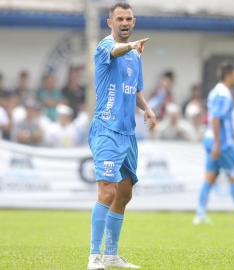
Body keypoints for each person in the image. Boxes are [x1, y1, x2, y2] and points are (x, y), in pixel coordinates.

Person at [87, 3, 156, 270]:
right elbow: (116, 51)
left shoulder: (135, 56)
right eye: (119, 19)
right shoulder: (105, 46)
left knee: (124, 194)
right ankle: (94, 257)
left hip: (128, 133)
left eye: (128, 18)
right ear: (110, 22)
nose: (124, 22)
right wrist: (131, 46)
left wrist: (148, 108)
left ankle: (112, 255)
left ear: (134, 21)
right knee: (107, 191)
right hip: (106, 129)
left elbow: (134, 90)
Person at [193, 63, 234, 226]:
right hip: (223, 143)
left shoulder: (216, 91)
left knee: (210, 176)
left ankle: (200, 214)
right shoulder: (224, 94)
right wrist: (218, 144)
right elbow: (215, 118)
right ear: (228, 75)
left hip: (212, 140)